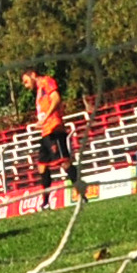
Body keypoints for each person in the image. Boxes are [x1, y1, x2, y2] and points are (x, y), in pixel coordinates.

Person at [20, 71, 88, 206]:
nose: (25, 85)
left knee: (64, 163)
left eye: (26, 81)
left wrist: (46, 118)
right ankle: (45, 202)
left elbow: (56, 98)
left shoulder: (46, 82)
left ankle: (82, 195)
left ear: (33, 75)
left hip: (54, 129)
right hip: (45, 131)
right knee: (42, 167)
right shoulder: (39, 91)